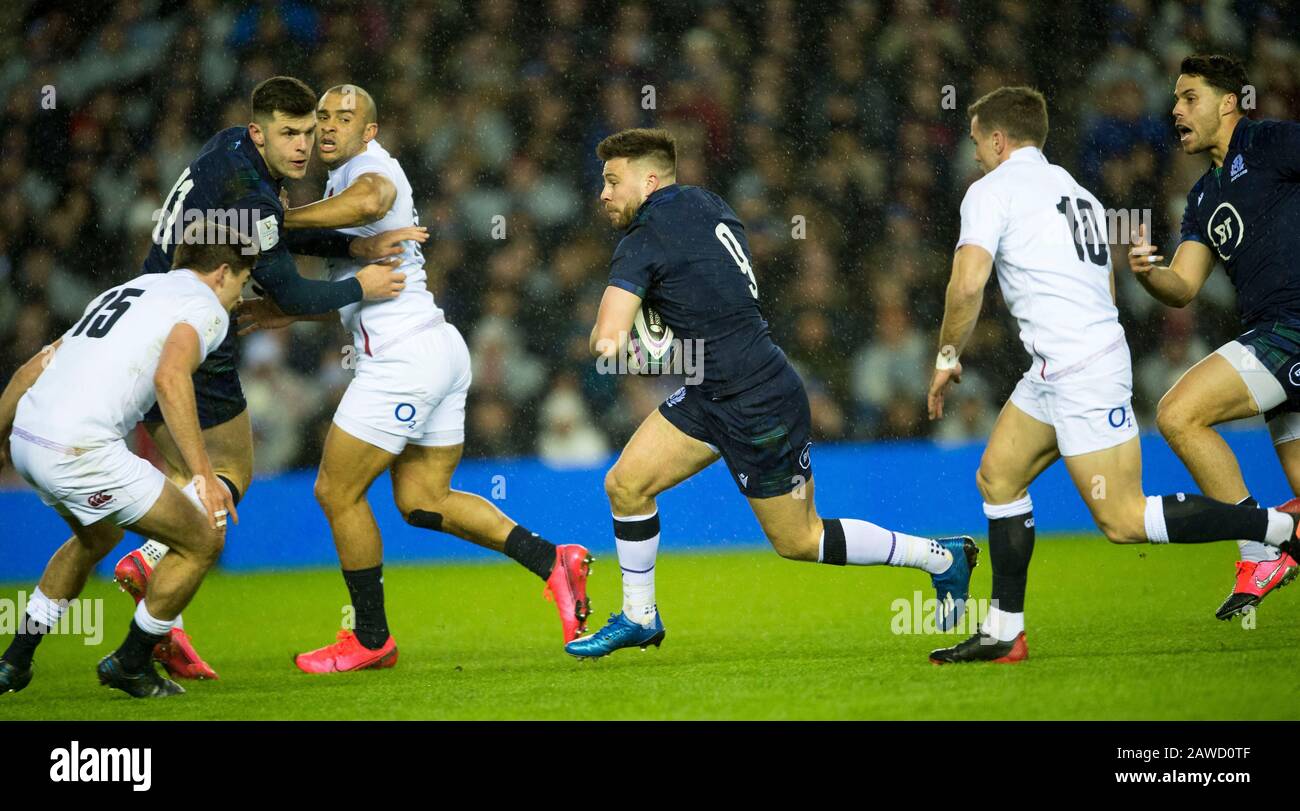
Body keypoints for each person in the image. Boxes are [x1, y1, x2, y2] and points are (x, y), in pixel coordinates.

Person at [565, 128, 976, 659]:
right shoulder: (710, 204)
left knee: (799, 540)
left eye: (612, 181)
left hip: (756, 401)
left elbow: (608, 341)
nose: (604, 194)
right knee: (626, 484)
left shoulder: (642, 240)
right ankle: (640, 615)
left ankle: (940, 557)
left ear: (648, 180)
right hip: (714, 391)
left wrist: (652, 350)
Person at [926, 86, 1298, 665]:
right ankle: (1004, 630)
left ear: (998, 140)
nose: (974, 154)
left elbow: (968, 282)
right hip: (1059, 366)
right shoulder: (1078, 194)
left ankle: (1277, 529)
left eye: (976, 141)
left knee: (1123, 519)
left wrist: (948, 356)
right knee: (998, 477)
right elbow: (1104, 287)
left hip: (1080, 370)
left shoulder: (989, 191)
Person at [237, 85, 592, 672]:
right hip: (433, 346)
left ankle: (371, 639)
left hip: (404, 360)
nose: (327, 128)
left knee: (335, 491)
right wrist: (282, 311)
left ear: (369, 131)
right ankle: (555, 561)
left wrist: (276, 218)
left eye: (343, 118)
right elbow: (363, 296)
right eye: (322, 117)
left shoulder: (370, 170)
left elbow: (372, 201)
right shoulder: (342, 180)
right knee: (423, 501)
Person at [106, 76, 419, 679]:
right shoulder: (250, 196)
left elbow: (275, 229)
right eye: (289, 133)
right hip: (193, 331)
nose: (304, 145)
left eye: (309, 132)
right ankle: (148, 560)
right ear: (261, 132)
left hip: (143, 322)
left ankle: (146, 626)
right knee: (230, 472)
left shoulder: (228, 149)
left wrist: (351, 248)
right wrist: (364, 281)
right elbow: (293, 289)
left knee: (183, 474)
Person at [0, 222, 250, 698]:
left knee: (98, 535)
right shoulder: (204, 309)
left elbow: (37, 363)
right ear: (221, 273)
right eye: (242, 283)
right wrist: (202, 474)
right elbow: (171, 377)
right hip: (79, 450)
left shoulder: (130, 290)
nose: (239, 297)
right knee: (201, 541)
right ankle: (131, 662)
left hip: (29, 437)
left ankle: (13, 661)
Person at [1130, 54, 1300, 620]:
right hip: (1271, 335)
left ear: (1229, 102)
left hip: (1290, 330)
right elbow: (1183, 286)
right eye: (1176, 99)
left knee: (1178, 414)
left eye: (1189, 97)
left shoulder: (1271, 142)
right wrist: (1148, 272)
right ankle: (1276, 541)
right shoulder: (1202, 197)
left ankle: (1259, 549)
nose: (1175, 110)